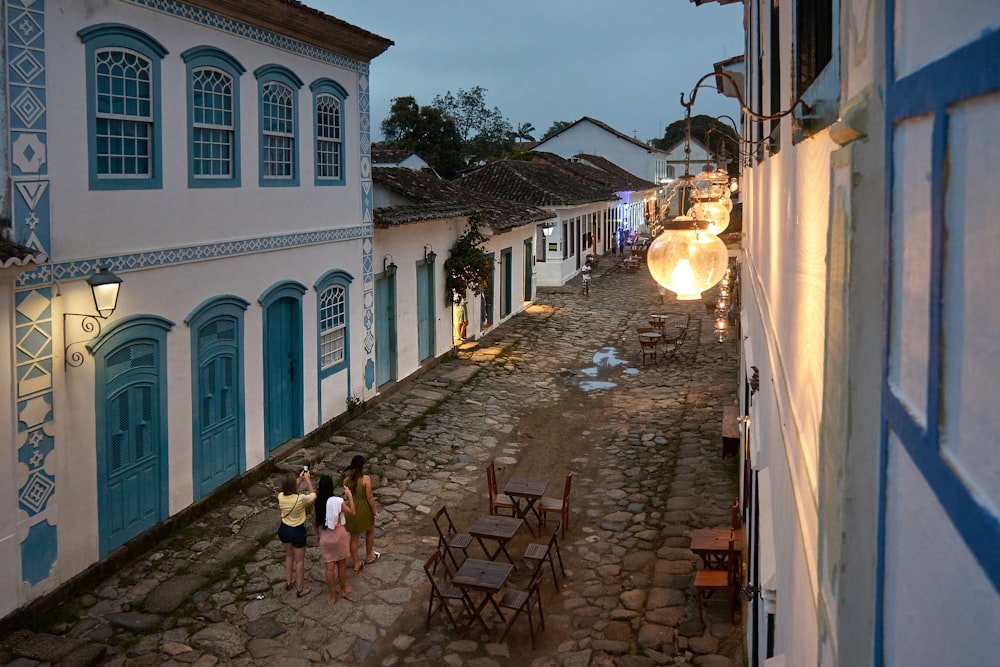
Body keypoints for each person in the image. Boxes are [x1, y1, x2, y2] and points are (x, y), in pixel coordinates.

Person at [314, 475, 356, 604]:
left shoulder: (317, 502)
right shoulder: (337, 501)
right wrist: (349, 496)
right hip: (338, 535)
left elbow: (315, 520)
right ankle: (343, 589)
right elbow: (352, 512)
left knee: (329, 568)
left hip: (325, 537)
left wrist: (317, 535)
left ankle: (332, 595)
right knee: (341, 564)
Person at [277, 469, 316, 597]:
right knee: (299, 561)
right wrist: (308, 480)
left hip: (284, 529)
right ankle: (300, 589)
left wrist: (299, 480)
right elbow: (313, 495)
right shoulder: (300, 499)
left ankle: (289, 581)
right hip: (297, 531)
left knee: (289, 555)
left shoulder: (281, 497)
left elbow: (291, 491)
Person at [343, 455, 380, 571]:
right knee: (370, 530)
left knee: (354, 536)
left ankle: (356, 563)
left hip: (351, 509)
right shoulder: (366, 479)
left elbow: (347, 495)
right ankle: (369, 555)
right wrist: (375, 510)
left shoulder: (346, 480)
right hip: (363, 509)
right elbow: (369, 497)